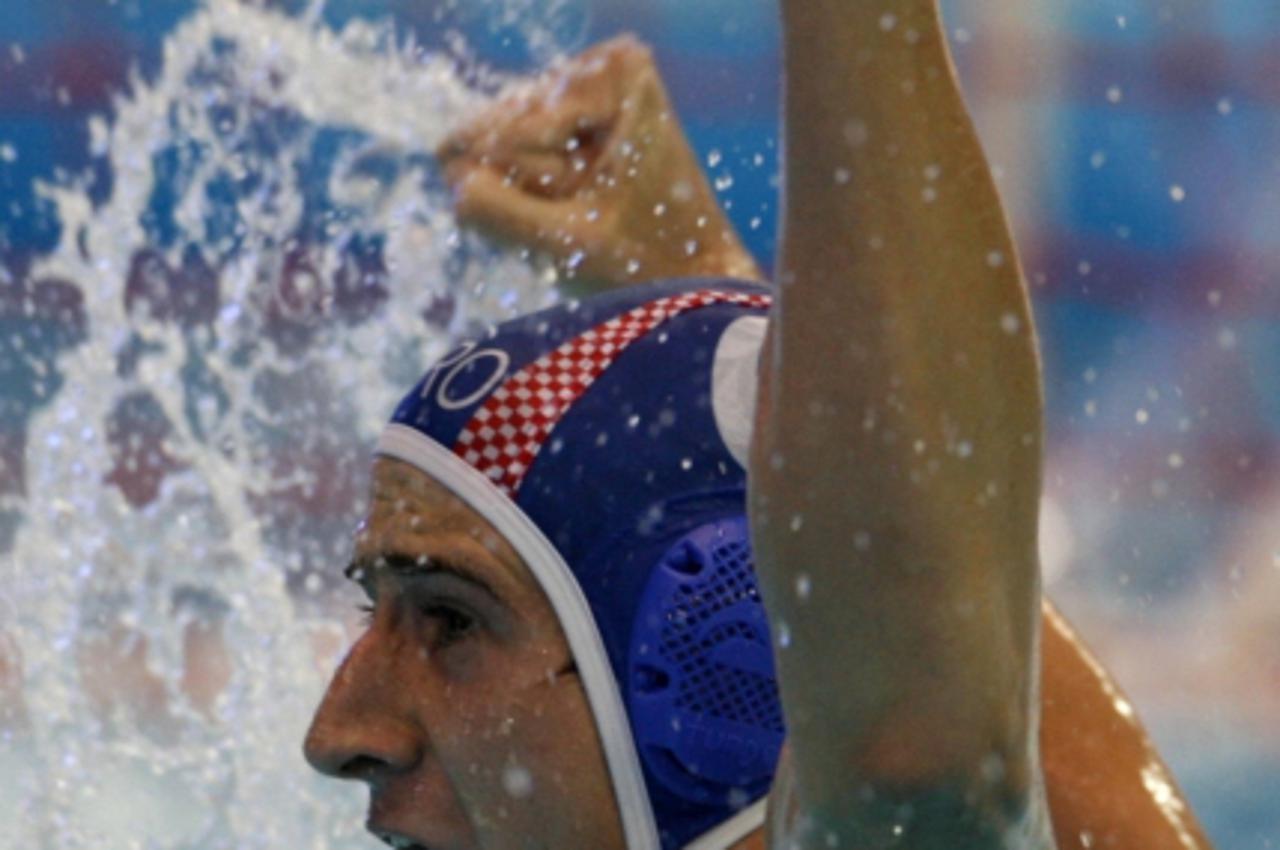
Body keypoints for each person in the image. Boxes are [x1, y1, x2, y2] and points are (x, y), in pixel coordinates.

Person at [305, 4, 1214, 849]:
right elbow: (959, 652)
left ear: (698, 682)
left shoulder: (915, 783)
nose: (338, 732)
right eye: (370, 610)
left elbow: (922, 743)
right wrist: (696, 277)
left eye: (450, 621)